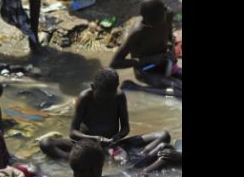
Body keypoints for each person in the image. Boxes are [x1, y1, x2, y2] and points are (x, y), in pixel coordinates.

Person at [39, 67, 171, 161]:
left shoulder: (119, 96)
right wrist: (95, 139)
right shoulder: (84, 97)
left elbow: (125, 128)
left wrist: (117, 137)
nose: (106, 100)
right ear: (93, 87)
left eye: (110, 97)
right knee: (45, 143)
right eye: (102, 97)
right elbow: (73, 132)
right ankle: (73, 160)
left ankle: (140, 158)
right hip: (87, 146)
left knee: (164, 135)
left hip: (114, 145)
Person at [110, 0, 182, 98]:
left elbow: (169, 37)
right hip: (146, 71)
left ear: (165, 11)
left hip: (165, 64)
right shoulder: (137, 32)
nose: (148, 25)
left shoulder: (169, 14)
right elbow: (114, 63)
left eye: (154, 22)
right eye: (146, 21)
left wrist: (172, 53)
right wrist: (150, 59)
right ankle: (135, 88)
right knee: (179, 93)